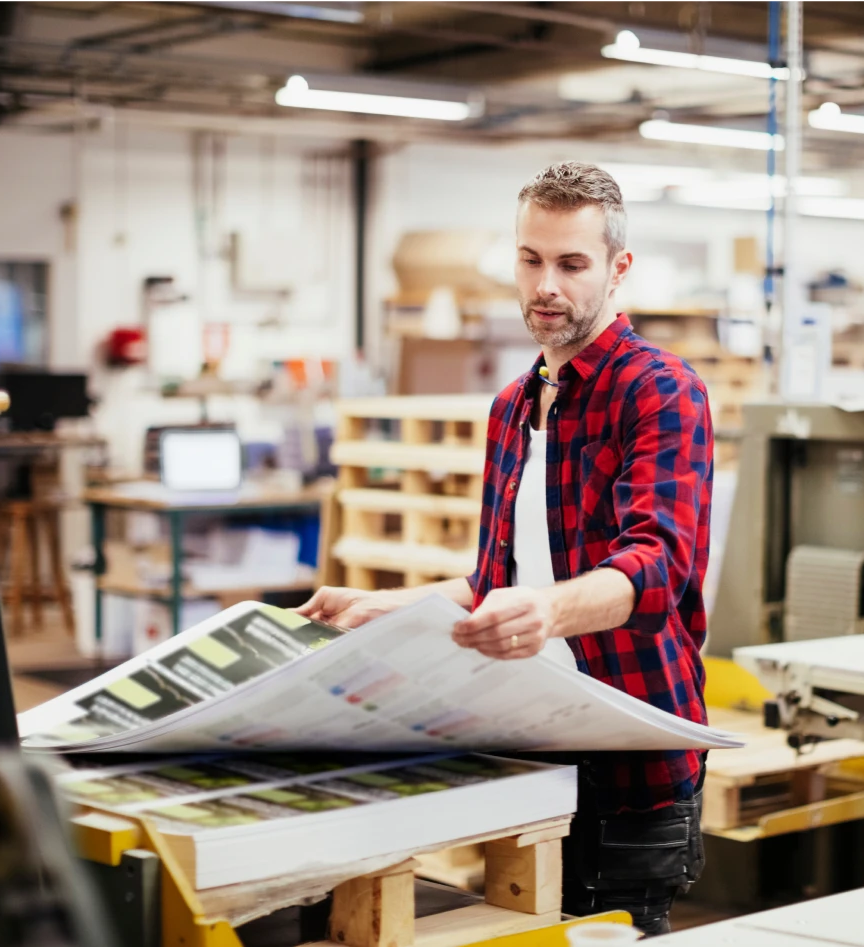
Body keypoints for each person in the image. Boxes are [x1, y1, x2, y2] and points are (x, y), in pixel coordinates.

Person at [298, 160, 712, 934]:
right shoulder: (512, 407)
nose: (545, 285)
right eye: (530, 260)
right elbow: (494, 580)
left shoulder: (660, 391)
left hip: (628, 761)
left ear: (618, 269)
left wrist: (547, 612)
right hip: (528, 748)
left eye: (571, 264)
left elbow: (656, 570)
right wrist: (381, 604)